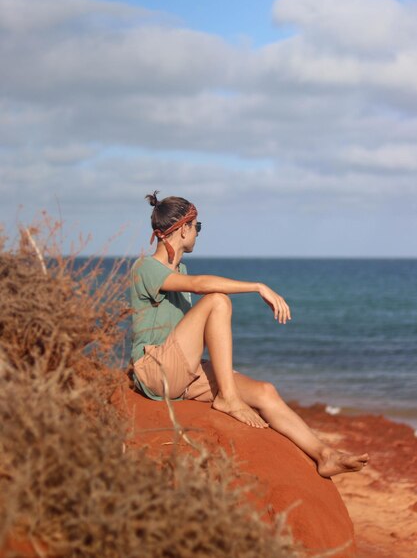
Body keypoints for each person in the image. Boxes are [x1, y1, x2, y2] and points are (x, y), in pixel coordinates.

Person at [130, 191, 369, 477]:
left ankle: (325, 455)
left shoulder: (179, 268)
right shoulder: (146, 268)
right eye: (198, 226)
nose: (198, 233)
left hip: (183, 372)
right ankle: (228, 398)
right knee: (217, 300)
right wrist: (258, 286)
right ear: (184, 228)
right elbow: (198, 284)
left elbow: (192, 287)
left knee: (265, 391)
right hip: (155, 371)